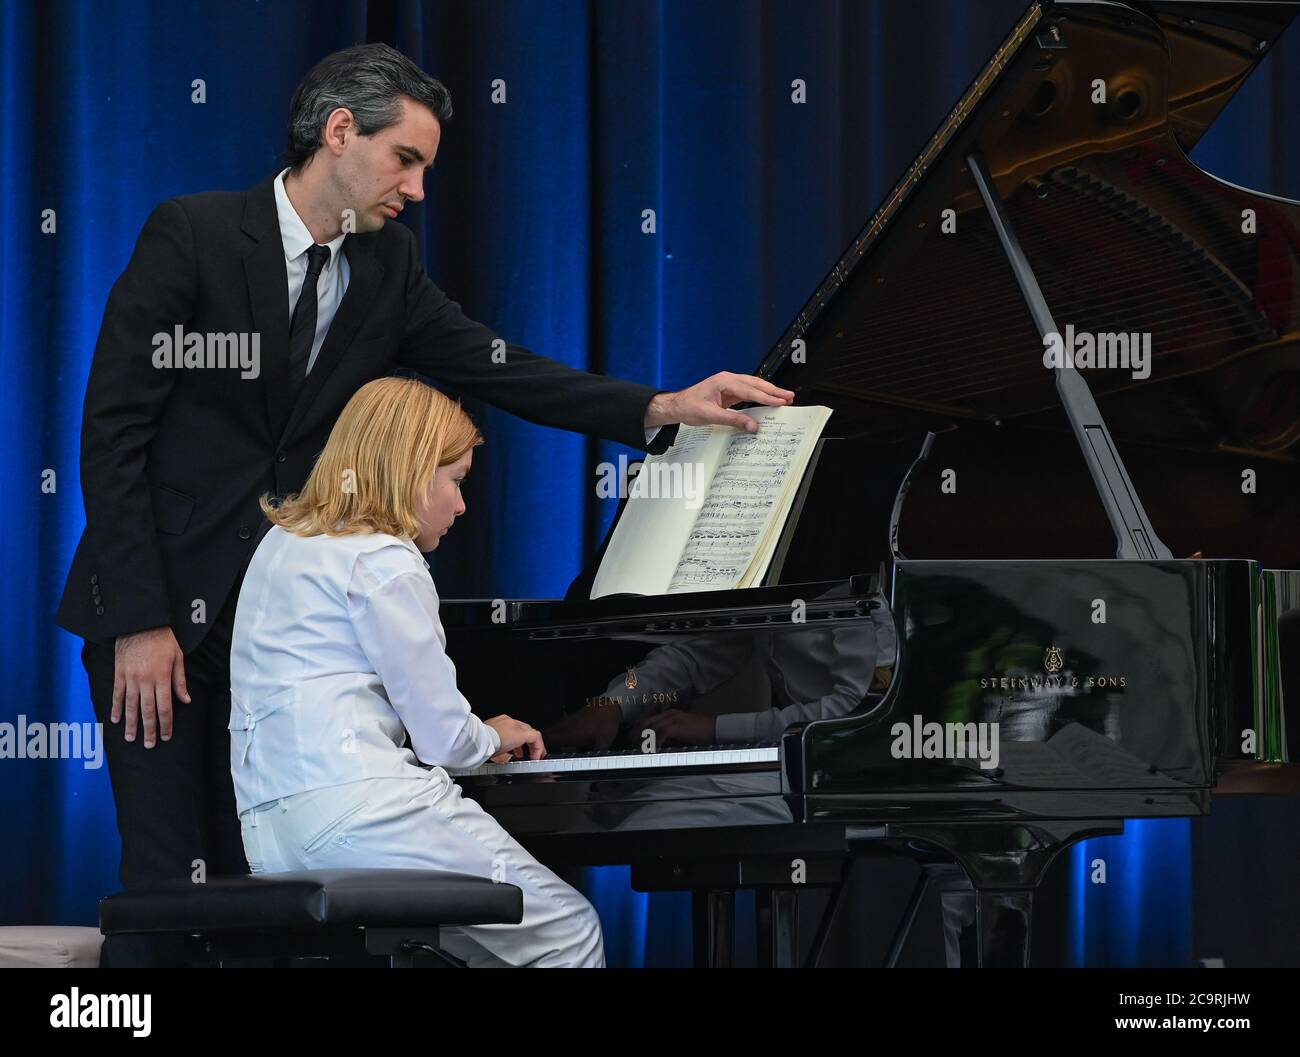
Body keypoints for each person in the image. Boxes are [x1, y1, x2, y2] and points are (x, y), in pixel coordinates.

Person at [55, 41, 793, 966]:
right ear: (337, 134)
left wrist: (656, 408)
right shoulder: (195, 235)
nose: (417, 186)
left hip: (279, 632)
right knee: (169, 879)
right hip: (160, 613)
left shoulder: (387, 266)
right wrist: (141, 618)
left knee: (262, 899)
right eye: (405, 159)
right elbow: (111, 430)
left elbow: (502, 366)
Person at [230, 375, 602, 967]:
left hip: (271, 832)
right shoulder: (384, 556)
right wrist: (491, 735)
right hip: (365, 816)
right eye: (454, 481)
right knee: (569, 932)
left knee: (473, 950)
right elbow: (447, 741)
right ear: (408, 468)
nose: (461, 504)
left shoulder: (282, 544)